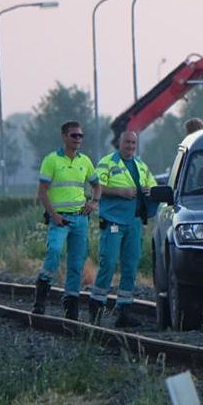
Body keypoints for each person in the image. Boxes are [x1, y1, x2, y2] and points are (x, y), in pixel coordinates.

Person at [88, 130, 157, 327]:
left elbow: (152, 186)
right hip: (113, 222)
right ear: (119, 143)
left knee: (130, 265)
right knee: (108, 262)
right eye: (127, 143)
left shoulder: (141, 166)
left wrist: (150, 191)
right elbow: (96, 186)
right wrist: (120, 192)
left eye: (133, 144)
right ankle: (96, 307)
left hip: (134, 222)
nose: (130, 147)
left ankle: (124, 310)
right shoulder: (107, 162)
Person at [33, 120, 99, 320]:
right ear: (64, 137)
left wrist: (94, 202)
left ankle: (71, 305)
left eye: (80, 135)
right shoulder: (51, 160)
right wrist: (54, 215)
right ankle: (41, 295)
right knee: (53, 252)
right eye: (74, 135)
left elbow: (97, 185)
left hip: (80, 219)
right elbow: (42, 192)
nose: (78, 139)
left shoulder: (85, 161)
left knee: (76, 263)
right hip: (59, 219)